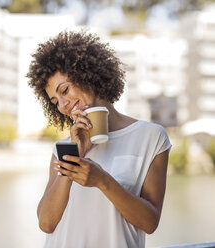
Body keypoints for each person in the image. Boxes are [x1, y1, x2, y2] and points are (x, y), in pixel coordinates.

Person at [26, 30, 172, 248]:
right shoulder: (64, 148)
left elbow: (149, 223)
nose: (63, 104)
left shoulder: (151, 138)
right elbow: (47, 223)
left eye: (64, 90)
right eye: (55, 101)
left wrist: (103, 181)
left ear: (87, 74)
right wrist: (75, 153)